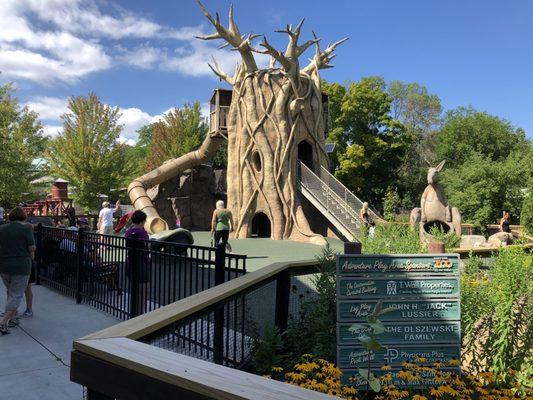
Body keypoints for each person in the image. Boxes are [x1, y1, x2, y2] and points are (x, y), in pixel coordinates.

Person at [0, 207, 35, 335]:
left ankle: (13, 319)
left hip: (4, 266)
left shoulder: (2, 229)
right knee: (16, 295)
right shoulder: (26, 228)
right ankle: (3, 322)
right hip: (21, 266)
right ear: (23, 216)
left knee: (11, 292)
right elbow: (31, 248)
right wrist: (32, 260)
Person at [125, 210, 150, 314]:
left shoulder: (128, 231)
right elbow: (147, 245)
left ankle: (134, 312)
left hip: (130, 262)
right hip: (141, 263)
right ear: (142, 220)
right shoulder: (142, 232)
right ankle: (141, 314)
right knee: (143, 291)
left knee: (134, 290)